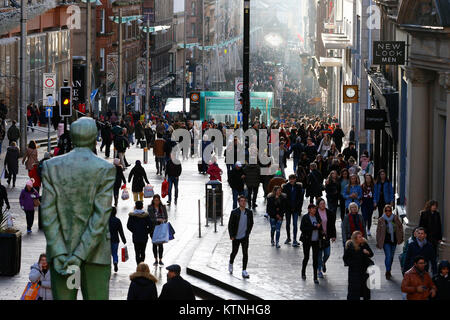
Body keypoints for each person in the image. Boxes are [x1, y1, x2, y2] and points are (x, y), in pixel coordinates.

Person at [228, 195, 254, 279]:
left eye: (244, 201)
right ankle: (231, 263)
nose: (243, 202)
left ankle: (244, 270)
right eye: (241, 201)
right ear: (239, 202)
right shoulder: (234, 212)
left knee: (245, 253)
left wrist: (248, 233)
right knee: (234, 252)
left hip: (245, 237)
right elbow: (230, 225)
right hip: (236, 237)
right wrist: (231, 235)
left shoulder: (249, 212)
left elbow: (251, 223)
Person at [343, 230, 374, 300]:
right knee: (354, 289)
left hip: (364, 270)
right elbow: (345, 258)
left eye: (361, 236)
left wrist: (367, 252)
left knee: (365, 288)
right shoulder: (350, 246)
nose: (361, 238)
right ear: (355, 238)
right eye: (359, 237)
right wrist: (352, 264)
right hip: (354, 271)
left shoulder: (364, 244)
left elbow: (371, 254)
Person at [375, 204, 404, 280]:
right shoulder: (381, 219)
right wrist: (378, 241)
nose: (388, 212)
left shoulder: (395, 218)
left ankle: (389, 269)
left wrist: (401, 237)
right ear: (384, 211)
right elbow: (378, 231)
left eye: (389, 210)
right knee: (388, 256)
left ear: (391, 211)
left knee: (391, 257)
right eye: (386, 210)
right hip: (385, 241)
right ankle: (388, 271)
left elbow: (400, 227)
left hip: (394, 240)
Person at [300, 204, 323, 284]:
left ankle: (315, 277)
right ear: (309, 209)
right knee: (306, 257)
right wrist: (314, 227)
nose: (314, 210)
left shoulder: (317, 217)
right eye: (313, 209)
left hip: (316, 240)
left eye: (315, 209)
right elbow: (302, 228)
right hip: (307, 240)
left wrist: (320, 228)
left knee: (315, 259)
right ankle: (303, 272)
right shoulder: (305, 217)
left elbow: (320, 226)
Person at [281, 174, 304, 247]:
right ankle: (288, 238)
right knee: (288, 224)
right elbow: (284, 198)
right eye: (290, 179)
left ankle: (294, 239)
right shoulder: (285, 186)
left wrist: (299, 208)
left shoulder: (299, 187)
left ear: (295, 179)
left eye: (293, 179)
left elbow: (300, 199)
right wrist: (286, 207)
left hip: (296, 208)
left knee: (295, 224)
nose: (291, 180)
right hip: (288, 208)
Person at [316, 198, 336, 279]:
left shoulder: (329, 213)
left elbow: (332, 225)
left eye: (324, 203)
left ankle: (323, 263)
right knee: (319, 254)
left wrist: (333, 235)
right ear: (318, 205)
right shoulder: (315, 213)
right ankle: (319, 270)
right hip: (318, 237)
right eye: (321, 204)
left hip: (327, 236)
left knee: (327, 253)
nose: (323, 205)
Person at [148, 194, 168, 266]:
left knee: (160, 244)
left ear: (160, 201)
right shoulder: (150, 208)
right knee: (154, 244)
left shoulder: (163, 207)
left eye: (158, 200)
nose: (156, 202)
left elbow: (166, 217)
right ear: (153, 200)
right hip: (153, 228)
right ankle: (155, 259)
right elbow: (150, 218)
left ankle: (160, 259)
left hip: (161, 228)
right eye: (155, 200)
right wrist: (157, 220)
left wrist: (163, 220)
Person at [109, 207, 127, 272]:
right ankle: (115, 262)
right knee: (114, 253)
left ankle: (108, 265)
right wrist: (124, 240)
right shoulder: (117, 220)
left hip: (107, 239)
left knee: (107, 254)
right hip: (115, 239)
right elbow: (121, 231)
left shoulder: (106, 220)